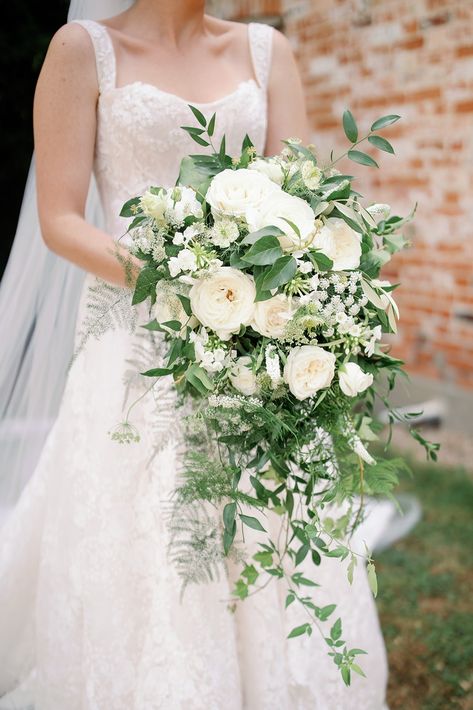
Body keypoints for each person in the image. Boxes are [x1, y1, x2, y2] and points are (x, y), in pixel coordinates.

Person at [0, 1, 389, 708]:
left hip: (255, 329)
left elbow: (297, 200)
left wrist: (278, 296)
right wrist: (183, 276)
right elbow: (58, 219)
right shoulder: (83, 49)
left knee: (262, 513)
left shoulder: (266, 51)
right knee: (155, 520)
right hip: (135, 339)